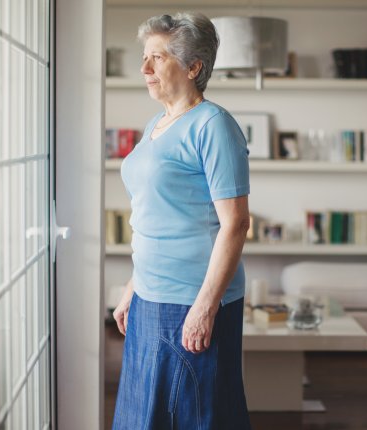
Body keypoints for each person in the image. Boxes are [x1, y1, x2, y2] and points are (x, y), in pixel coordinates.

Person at [112, 12, 252, 430]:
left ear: (194, 67)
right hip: (151, 297)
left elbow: (236, 224)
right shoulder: (157, 123)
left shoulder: (214, 126)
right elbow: (156, 215)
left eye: (157, 57)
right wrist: (132, 287)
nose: (145, 69)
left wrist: (204, 308)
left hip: (193, 299)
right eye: (145, 57)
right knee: (145, 416)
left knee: (196, 414)